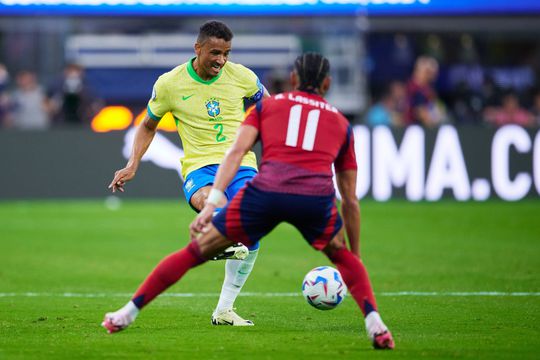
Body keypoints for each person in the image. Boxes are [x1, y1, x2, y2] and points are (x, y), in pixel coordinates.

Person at [102, 52, 395, 350]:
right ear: (328, 83)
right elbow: (350, 199)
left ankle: (127, 313)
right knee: (342, 257)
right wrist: (353, 258)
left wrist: (212, 206)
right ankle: (376, 324)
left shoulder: (269, 107)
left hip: (267, 191)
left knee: (194, 252)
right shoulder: (340, 122)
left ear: (293, 79)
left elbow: (236, 151)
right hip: (312, 197)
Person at [105, 20, 269, 327]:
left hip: (239, 163)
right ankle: (221, 232)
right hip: (199, 166)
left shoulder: (244, 77)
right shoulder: (170, 83)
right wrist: (132, 163)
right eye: (215, 53)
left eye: (226, 54)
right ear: (198, 49)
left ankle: (224, 310)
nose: (221, 60)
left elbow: (269, 109)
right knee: (209, 201)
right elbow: (148, 125)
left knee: (253, 228)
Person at [405, 56, 447, 127]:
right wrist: (433, 121)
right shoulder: (415, 88)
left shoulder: (428, 89)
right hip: (413, 128)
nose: (433, 76)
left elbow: (438, 105)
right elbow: (420, 112)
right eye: (430, 72)